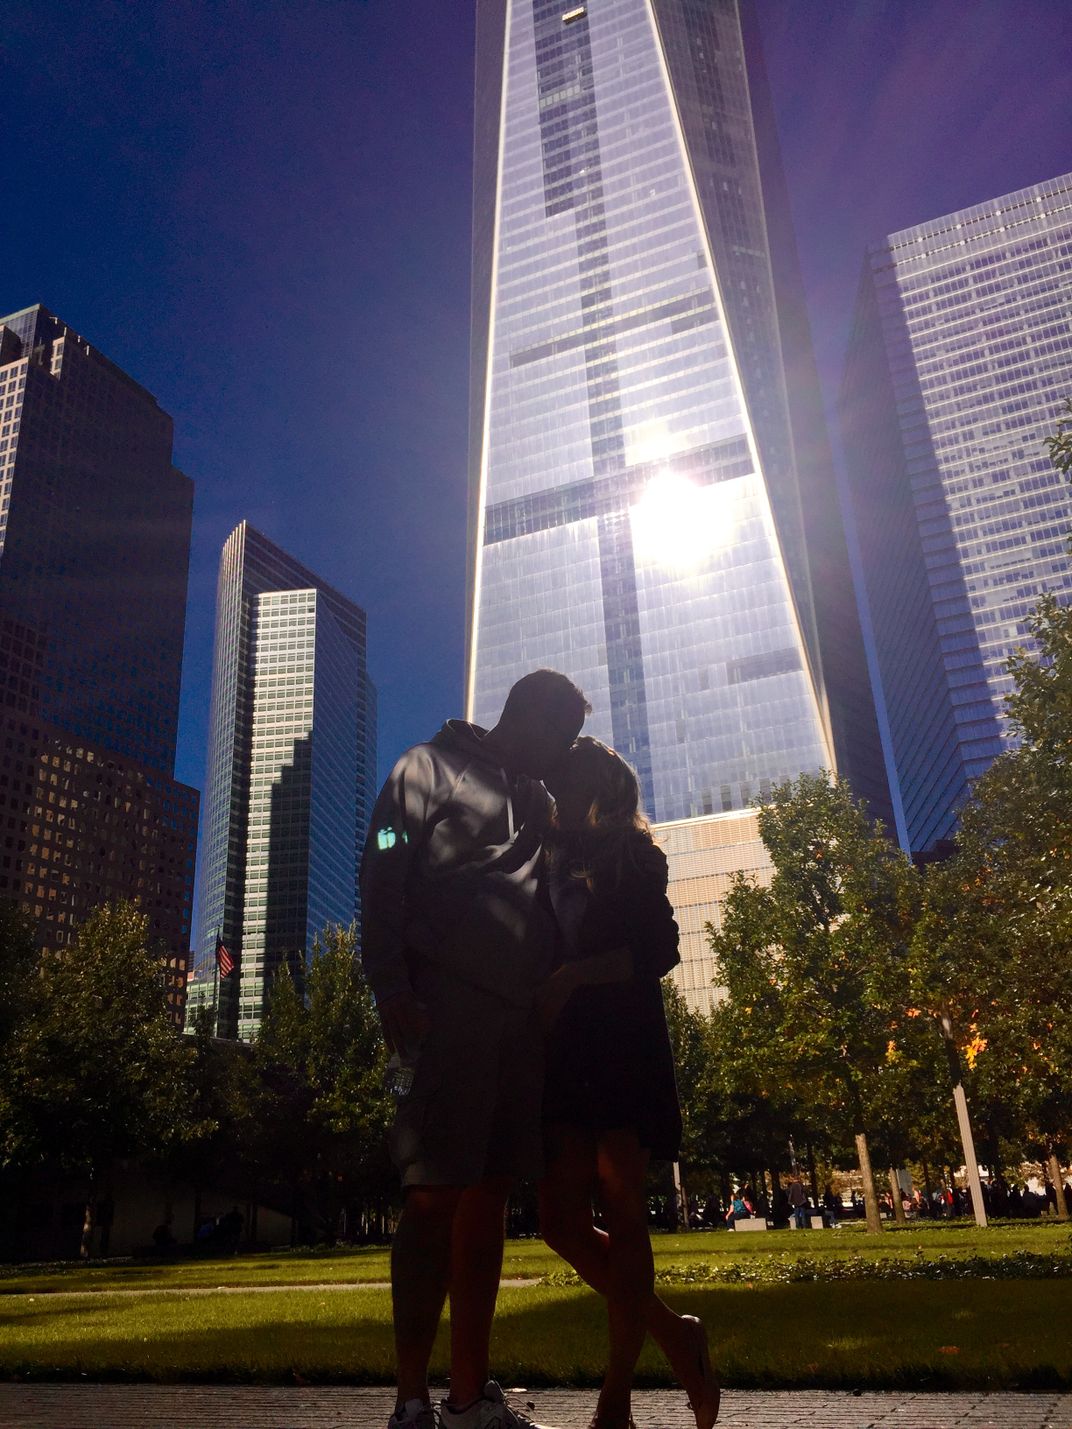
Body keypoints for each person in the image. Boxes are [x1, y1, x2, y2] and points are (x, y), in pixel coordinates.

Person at [360, 670, 590, 1429]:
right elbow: (383, 871)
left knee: (489, 1194)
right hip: (443, 1011)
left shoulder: (536, 799)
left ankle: (468, 1395)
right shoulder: (424, 767)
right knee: (432, 1195)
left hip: (517, 1023)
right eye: (559, 740)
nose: (560, 758)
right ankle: (410, 1400)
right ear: (528, 718)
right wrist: (390, 983)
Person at [535, 737, 720, 1429]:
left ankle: (616, 1399)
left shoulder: (635, 854)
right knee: (559, 1220)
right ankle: (677, 1334)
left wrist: (574, 976)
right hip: (563, 1053)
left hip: (620, 1046)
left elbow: (660, 950)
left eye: (567, 773)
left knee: (623, 1206)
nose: (555, 782)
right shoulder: (544, 855)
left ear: (598, 784)